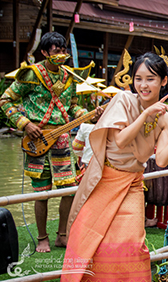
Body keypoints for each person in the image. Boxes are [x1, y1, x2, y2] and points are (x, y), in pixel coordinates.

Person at [61, 52, 168, 281]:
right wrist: (146, 113)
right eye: (138, 78)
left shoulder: (166, 117)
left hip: (132, 183)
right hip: (104, 179)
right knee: (89, 240)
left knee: (132, 245)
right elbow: (120, 140)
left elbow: (161, 160)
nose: (143, 85)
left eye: (150, 79)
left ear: (164, 81)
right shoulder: (123, 100)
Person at [0, 32, 96, 253]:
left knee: (70, 190)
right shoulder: (30, 75)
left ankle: (62, 235)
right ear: (44, 52)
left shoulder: (69, 76)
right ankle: (42, 238)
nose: (61, 55)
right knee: (41, 191)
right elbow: (5, 99)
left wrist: (88, 114)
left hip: (62, 139)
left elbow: (73, 106)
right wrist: (24, 123)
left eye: (63, 50)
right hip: (37, 140)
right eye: (56, 51)